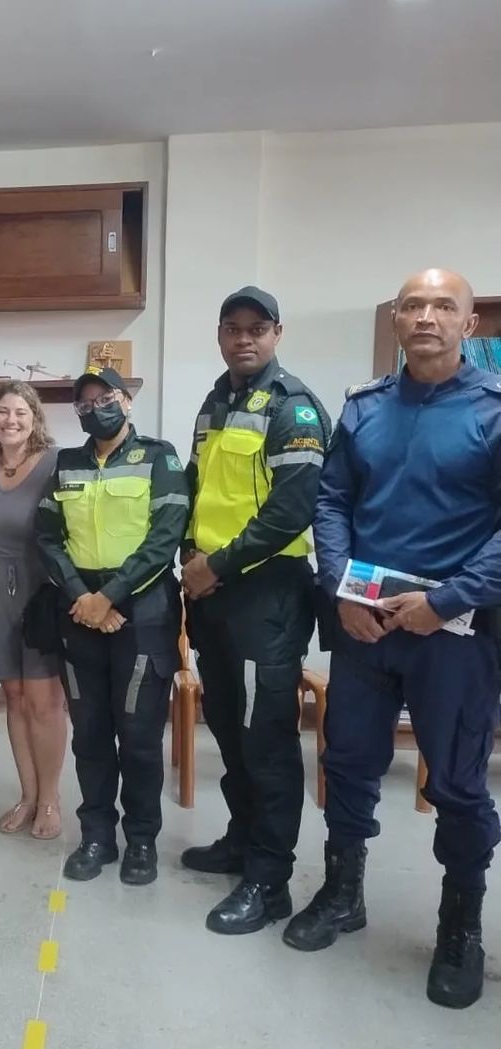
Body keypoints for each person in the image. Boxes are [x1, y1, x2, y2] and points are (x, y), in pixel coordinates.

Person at [284, 269, 501, 1010]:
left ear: (469, 324)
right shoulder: (365, 407)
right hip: (366, 624)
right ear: (398, 320)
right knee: (347, 761)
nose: (426, 316)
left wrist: (446, 601)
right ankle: (343, 894)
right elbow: (333, 501)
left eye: (444, 306)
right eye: (413, 305)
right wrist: (341, 589)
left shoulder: (492, 409)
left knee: (458, 784)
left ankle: (460, 927)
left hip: (453, 633)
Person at [181, 286, 331, 934]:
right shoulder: (217, 401)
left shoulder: (294, 407)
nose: (244, 338)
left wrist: (215, 565)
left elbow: (292, 510)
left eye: (257, 328)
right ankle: (242, 842)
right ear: (220, 335)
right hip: (214, 592)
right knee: (226, 725)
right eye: (232, 328)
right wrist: (192, 557)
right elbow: (197, 488)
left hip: (266, 595)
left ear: (276, 334)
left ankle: (270, 881)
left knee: (265, 739)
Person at [35, 366, 189, 884]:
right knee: (91, 735)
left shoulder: (159, 457)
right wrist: (84, 597)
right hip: (79, 611)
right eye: (84, 404)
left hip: (142, 611)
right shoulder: (66, 464)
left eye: (105, 399)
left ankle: (141, 840)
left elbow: (166, 535)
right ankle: (97, 835)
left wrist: (111, 596)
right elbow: (47, 537)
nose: (95, 409)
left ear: (126, 401)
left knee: (139, 736)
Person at [0, 382, 65, 839]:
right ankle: (27, 796)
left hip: (41, 589)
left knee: (45, 701)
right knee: (13, 696)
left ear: (35, 419)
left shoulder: (55, 462)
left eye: (21, 412)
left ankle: (50, 799)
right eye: (3, 411)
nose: (11, 420)